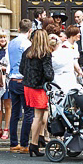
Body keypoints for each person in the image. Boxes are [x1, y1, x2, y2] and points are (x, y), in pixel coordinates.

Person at [20, 29, 54, 157]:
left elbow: (21, 69)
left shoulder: (27, 52)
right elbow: (49, 74)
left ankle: (37, 140)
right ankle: (33, 144)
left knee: (39, 114)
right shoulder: (45, 54)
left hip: (28, 86)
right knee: (38, 116)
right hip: (38, 88)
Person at [7, 19, 34, 152]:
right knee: (29, 113)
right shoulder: (28, 44)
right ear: (30, 31)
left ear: (19, 29)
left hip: (12, 80)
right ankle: (24, 144)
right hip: (23, 81)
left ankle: (13, 143)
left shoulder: (11, 43)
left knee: (15, 113)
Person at [53, 24, 83, 94]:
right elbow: (72, 61)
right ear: (72, 35)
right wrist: (79, 70)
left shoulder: (75, 45)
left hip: (75, 73)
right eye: (77, 33)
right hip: (68, 73)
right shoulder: (65, 46)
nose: (79, 35)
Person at [0, 31, 11, 140]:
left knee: (7, 105)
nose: (2, 40)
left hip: (7, 80)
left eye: (4, 37)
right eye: (0, 37)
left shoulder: (9, 51)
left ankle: (6, 129)